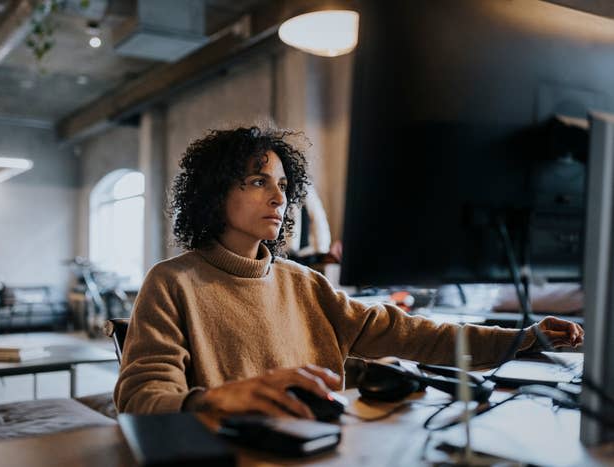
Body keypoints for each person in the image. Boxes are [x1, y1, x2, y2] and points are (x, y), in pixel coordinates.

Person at [114, 126, 584, 419]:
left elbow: (416, 335)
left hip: (323, 448)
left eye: (282, 185)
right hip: (237, 454)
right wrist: (213, 400)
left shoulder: (305, 284)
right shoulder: (172, 282)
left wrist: (523, 338)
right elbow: (141, 396)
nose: (278, 198)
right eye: (258, 182)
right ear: (214, 194)